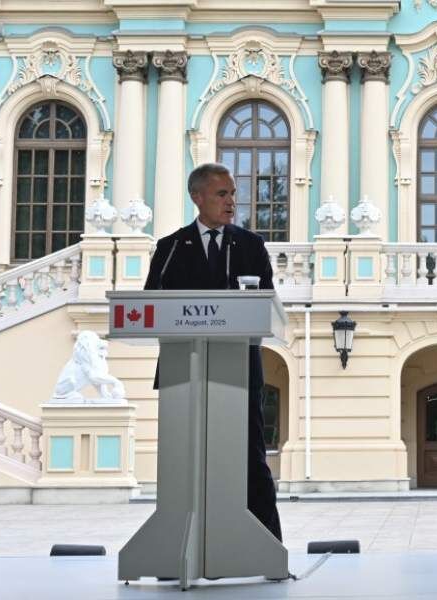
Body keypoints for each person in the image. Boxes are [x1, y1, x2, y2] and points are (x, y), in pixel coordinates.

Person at [145, 162, 282, 541]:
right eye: (222, 194)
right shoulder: (171, 247)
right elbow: (151, 303)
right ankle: (179, 545)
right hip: (184, 370)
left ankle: (265, 545)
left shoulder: (250, 245)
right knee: (183, 460)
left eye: (233, 194)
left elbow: (266, 304)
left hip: (239, 371)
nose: (231, 202)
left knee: (251, 460)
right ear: (197, 197)